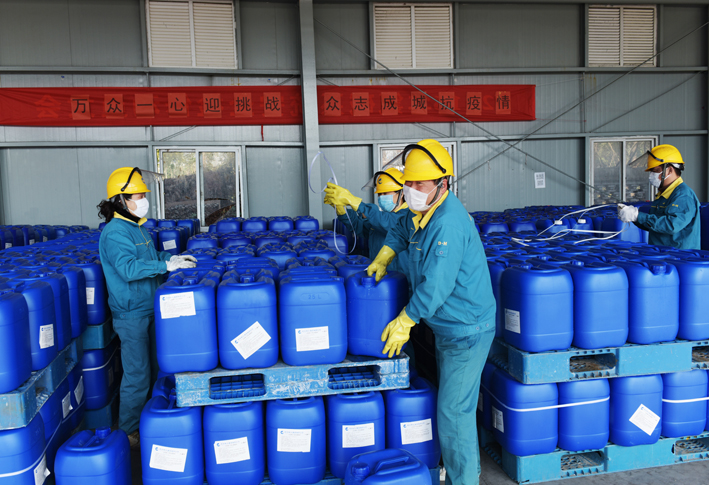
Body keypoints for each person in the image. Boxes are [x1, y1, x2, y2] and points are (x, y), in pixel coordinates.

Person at [365, 139, 495, 485]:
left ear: (443, 184)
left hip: (466, 330)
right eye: (408, 183)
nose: (411, 191)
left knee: (453, 413)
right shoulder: (423, 211)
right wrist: (385, 256)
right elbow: (399, 228)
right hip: (447, 327)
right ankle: (462, 472)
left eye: (419, 184)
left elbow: (436, 286)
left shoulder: (447, 223)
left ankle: (464, 480)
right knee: (455, 407)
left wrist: (406, 320)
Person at [98, 167, 196, 447]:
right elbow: (129, 269)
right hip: (131, 314)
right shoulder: (115, 233)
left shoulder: (136, 227)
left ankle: (151, 422)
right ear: (121, 200)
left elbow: (151, 257)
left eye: (143, 195)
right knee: (138, 375)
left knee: (155, 370)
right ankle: (130, 432)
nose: (143, 200)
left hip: (150, 307)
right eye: (138, 196)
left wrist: (175, 258)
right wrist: (165, 266)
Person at [323, 167, 411, 273]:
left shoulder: (408, 216)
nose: (381, 197)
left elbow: (387, 222)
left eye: (385, 193)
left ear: (402, 193)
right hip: (379, 275)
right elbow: (359, 227)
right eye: (379, 194)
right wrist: (342, 210)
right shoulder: (381, 218)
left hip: (401, 278)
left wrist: (355, 202)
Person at [619, 144, 701, 250]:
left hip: (678, 257)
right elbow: (654, 226)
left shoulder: (683, 196)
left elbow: (671, 225)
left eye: (656, 170)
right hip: (660, 254)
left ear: (670, 170)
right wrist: (633, 216)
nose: (651, 175)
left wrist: (638, 216)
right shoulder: (663, 195)